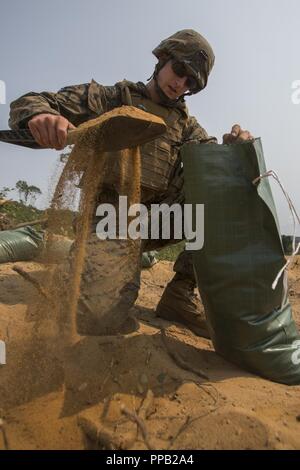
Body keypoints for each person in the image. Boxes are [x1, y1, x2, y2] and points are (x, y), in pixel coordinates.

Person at [9, 29, 254, 337]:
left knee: (224, 193)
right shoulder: (111, 99)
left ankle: (179, 294)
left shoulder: (186, 126)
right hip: (109, 219)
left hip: (156, 222)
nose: (180, 83)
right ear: (163, 59)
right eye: (179, 70)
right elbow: (32, 101)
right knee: (99, 318)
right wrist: (42, 115)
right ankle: (79, 273)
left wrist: (231, 151)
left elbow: (211, 163)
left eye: (190, 82)